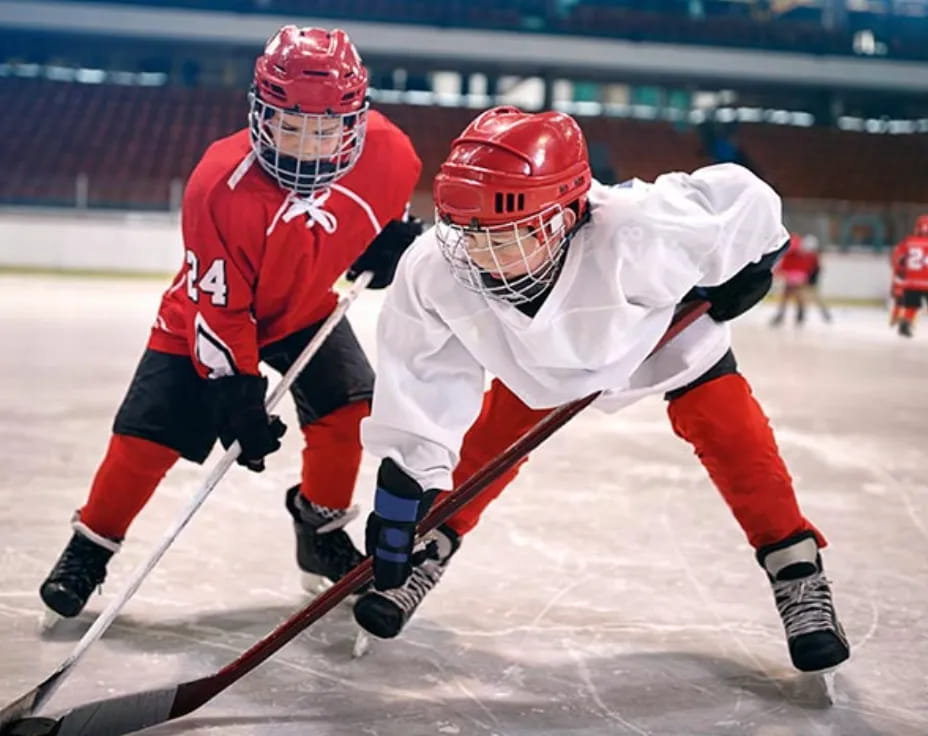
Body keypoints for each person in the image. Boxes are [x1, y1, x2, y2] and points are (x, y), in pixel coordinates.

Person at [352, 106, 850, 676]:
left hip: (656, 334)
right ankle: (431, 546)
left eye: (505, 237)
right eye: (468, 233)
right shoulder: (437, 266)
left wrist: (755, 263)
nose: (480, 256)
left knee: (731, 431)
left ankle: (796, 567)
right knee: (489, 441)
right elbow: (422, 377)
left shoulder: (643, 229)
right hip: (539, 361)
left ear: (564, 217)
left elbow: (748, 199)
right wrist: (402, 495)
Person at [39, 25, 423, 618]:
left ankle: (318, 533)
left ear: (353, 122)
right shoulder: (219, 184)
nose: (305, 147)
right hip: (204, 317)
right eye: (288, 126)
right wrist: (237, 390)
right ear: (261, 114)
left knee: (351, 411)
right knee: (146, 439)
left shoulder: (393, 155)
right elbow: (220, 307)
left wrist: (384, 244)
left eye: (324, 130)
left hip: (304, 309)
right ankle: (90, 545)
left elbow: (379, 219)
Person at [890, 216, 928, 338]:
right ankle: (905, 325)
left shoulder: (908, 241)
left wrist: (899, 274)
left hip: (911, 281)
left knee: (912, 305)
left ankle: (905, 324)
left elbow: (897, 258)